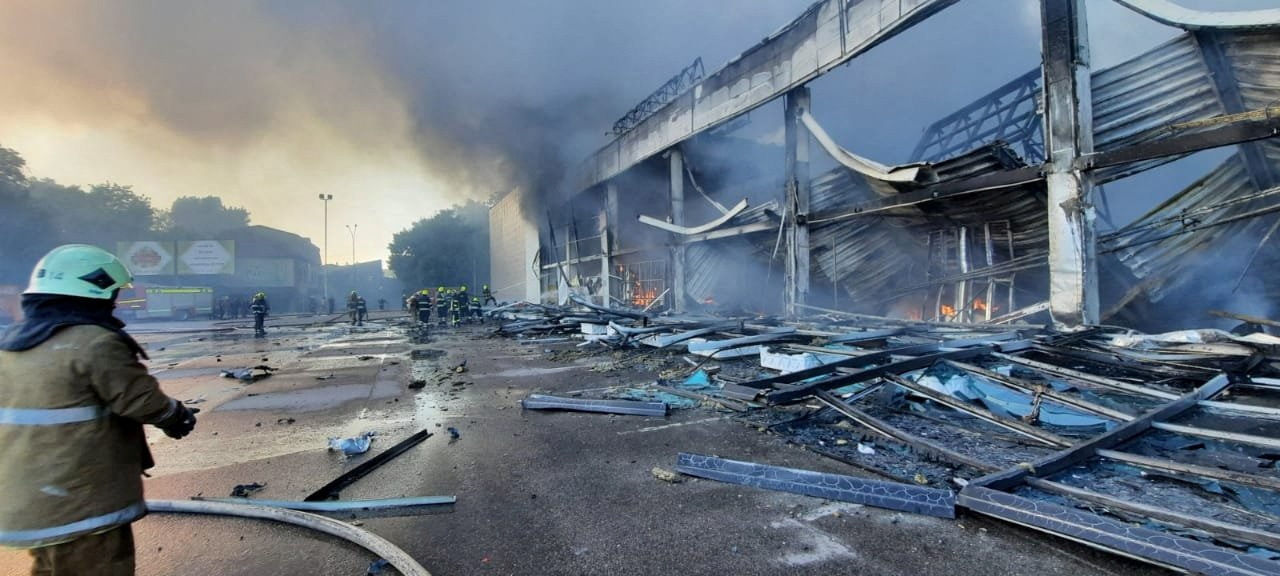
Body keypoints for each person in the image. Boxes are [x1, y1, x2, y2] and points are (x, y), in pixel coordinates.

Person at [0, 244, 197, 576]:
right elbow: (139, 398)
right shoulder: (94, 341)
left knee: (48, 568)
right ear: (94, 291)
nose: (115, 302)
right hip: (82, 500)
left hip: (30, 498)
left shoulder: (12, 342)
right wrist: (176, 416)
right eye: (113, 294)